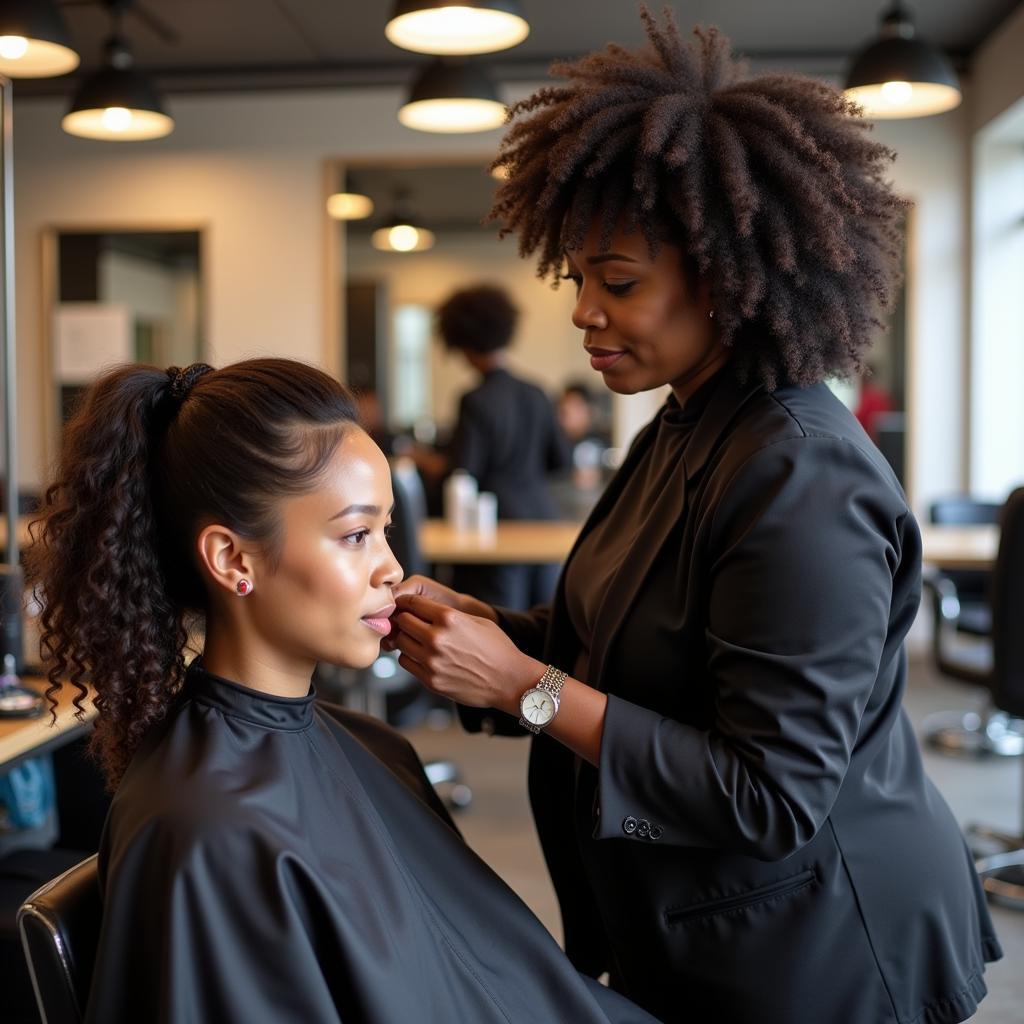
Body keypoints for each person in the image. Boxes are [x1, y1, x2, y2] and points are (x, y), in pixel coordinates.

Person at [386, 10, 1002, 1024]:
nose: (582, 310)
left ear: (725, 279)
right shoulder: (679, 426)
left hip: (827, 947)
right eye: (576, 277)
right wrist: (491, 638)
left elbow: (768, 792)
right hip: (704, 920)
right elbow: (631, 647)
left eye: (616, 282)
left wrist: (527, 686)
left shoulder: (800, 478)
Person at [26, 358, 656, 1024]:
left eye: (385, 530)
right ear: (233, 560)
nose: (391, 567)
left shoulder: (375, 745)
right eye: (356, 535)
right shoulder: (208, 831)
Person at [436, 283, 572, 609]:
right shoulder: (537, 392)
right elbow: (562, 461)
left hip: (493, 532)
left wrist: (430, 464)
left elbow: (463, 474)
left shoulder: (474, 400)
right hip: (544, 527)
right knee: (544, 630)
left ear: (462, 342)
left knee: (500, 631)